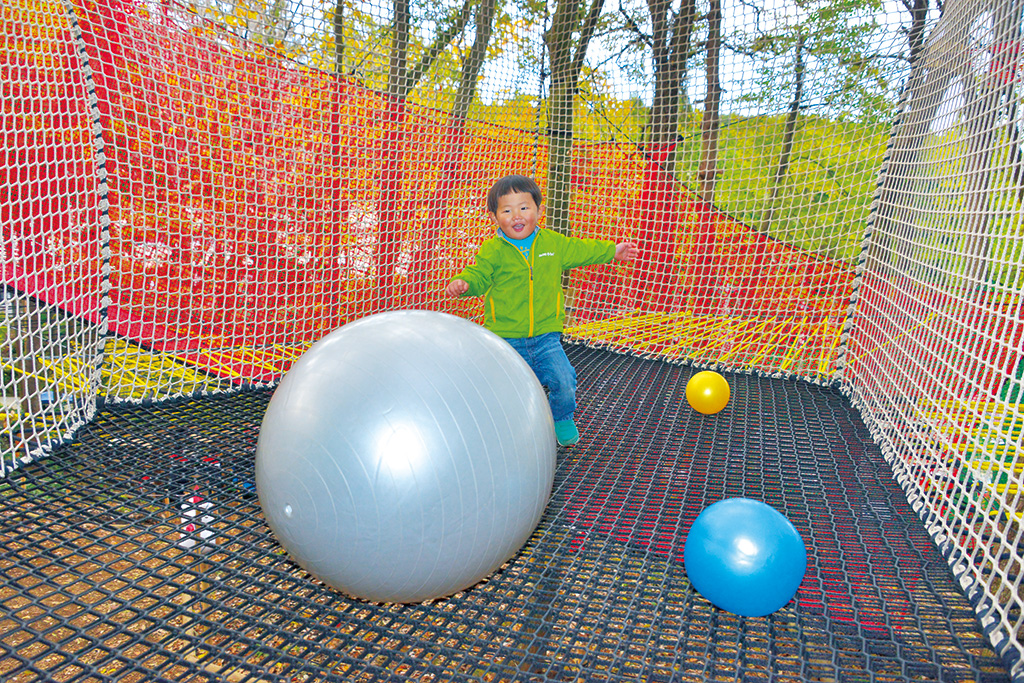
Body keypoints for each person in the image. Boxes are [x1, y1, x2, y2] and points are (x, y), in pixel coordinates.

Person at [445, 174, 638, 447]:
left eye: (524, 207)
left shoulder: (552, 244)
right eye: (507, 210)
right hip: (505, 337)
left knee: (564, 379)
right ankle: (507, 426)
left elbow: (582, 249)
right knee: (504, 389)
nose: (517, 215)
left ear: (538, 210)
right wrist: (465, 283)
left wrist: (612, 251)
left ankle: (561, 417)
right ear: (494, 217)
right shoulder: (493, 250)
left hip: (547, 336)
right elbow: (479, 274)